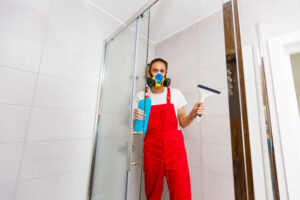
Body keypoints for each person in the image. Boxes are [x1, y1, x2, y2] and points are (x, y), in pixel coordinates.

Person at [133, 58, 205, 200]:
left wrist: (192, 114)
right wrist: (135, 117)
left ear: (166, 74)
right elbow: (139, 128)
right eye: (155, 71)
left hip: (175, 151)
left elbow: (183, 122)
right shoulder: (141, 96)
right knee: (152, 192)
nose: (158, 74)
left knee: (181, 191)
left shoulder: (175, 93)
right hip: (152, 151)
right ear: (149, 74)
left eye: (162, 71)